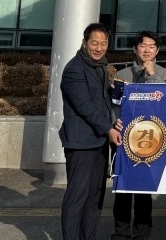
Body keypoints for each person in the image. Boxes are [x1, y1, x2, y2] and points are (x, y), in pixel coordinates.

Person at [60, 23, 123, 240]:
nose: (99, 48)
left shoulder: (99, 66)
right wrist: (108, 129)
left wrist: (115, 90)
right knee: (77, 198)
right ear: (84, 42)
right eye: (94, 43)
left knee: (94, 198)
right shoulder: (74, 69)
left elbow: (99, 99)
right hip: (80, 144)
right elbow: (85, 106)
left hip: (98, 142)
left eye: (103, 43)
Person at [111, 31, 166, 240]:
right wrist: (115, 122)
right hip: (124, 139)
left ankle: (142, 234)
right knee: (122, 189)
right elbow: (113, 104)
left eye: (152, 46)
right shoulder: (122, 74)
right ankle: (121, 233)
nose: (147, 50)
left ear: (157, 51)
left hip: (152, 139)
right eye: (143, 45)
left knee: (144, 190)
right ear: (135, 48)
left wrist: (151, 74)